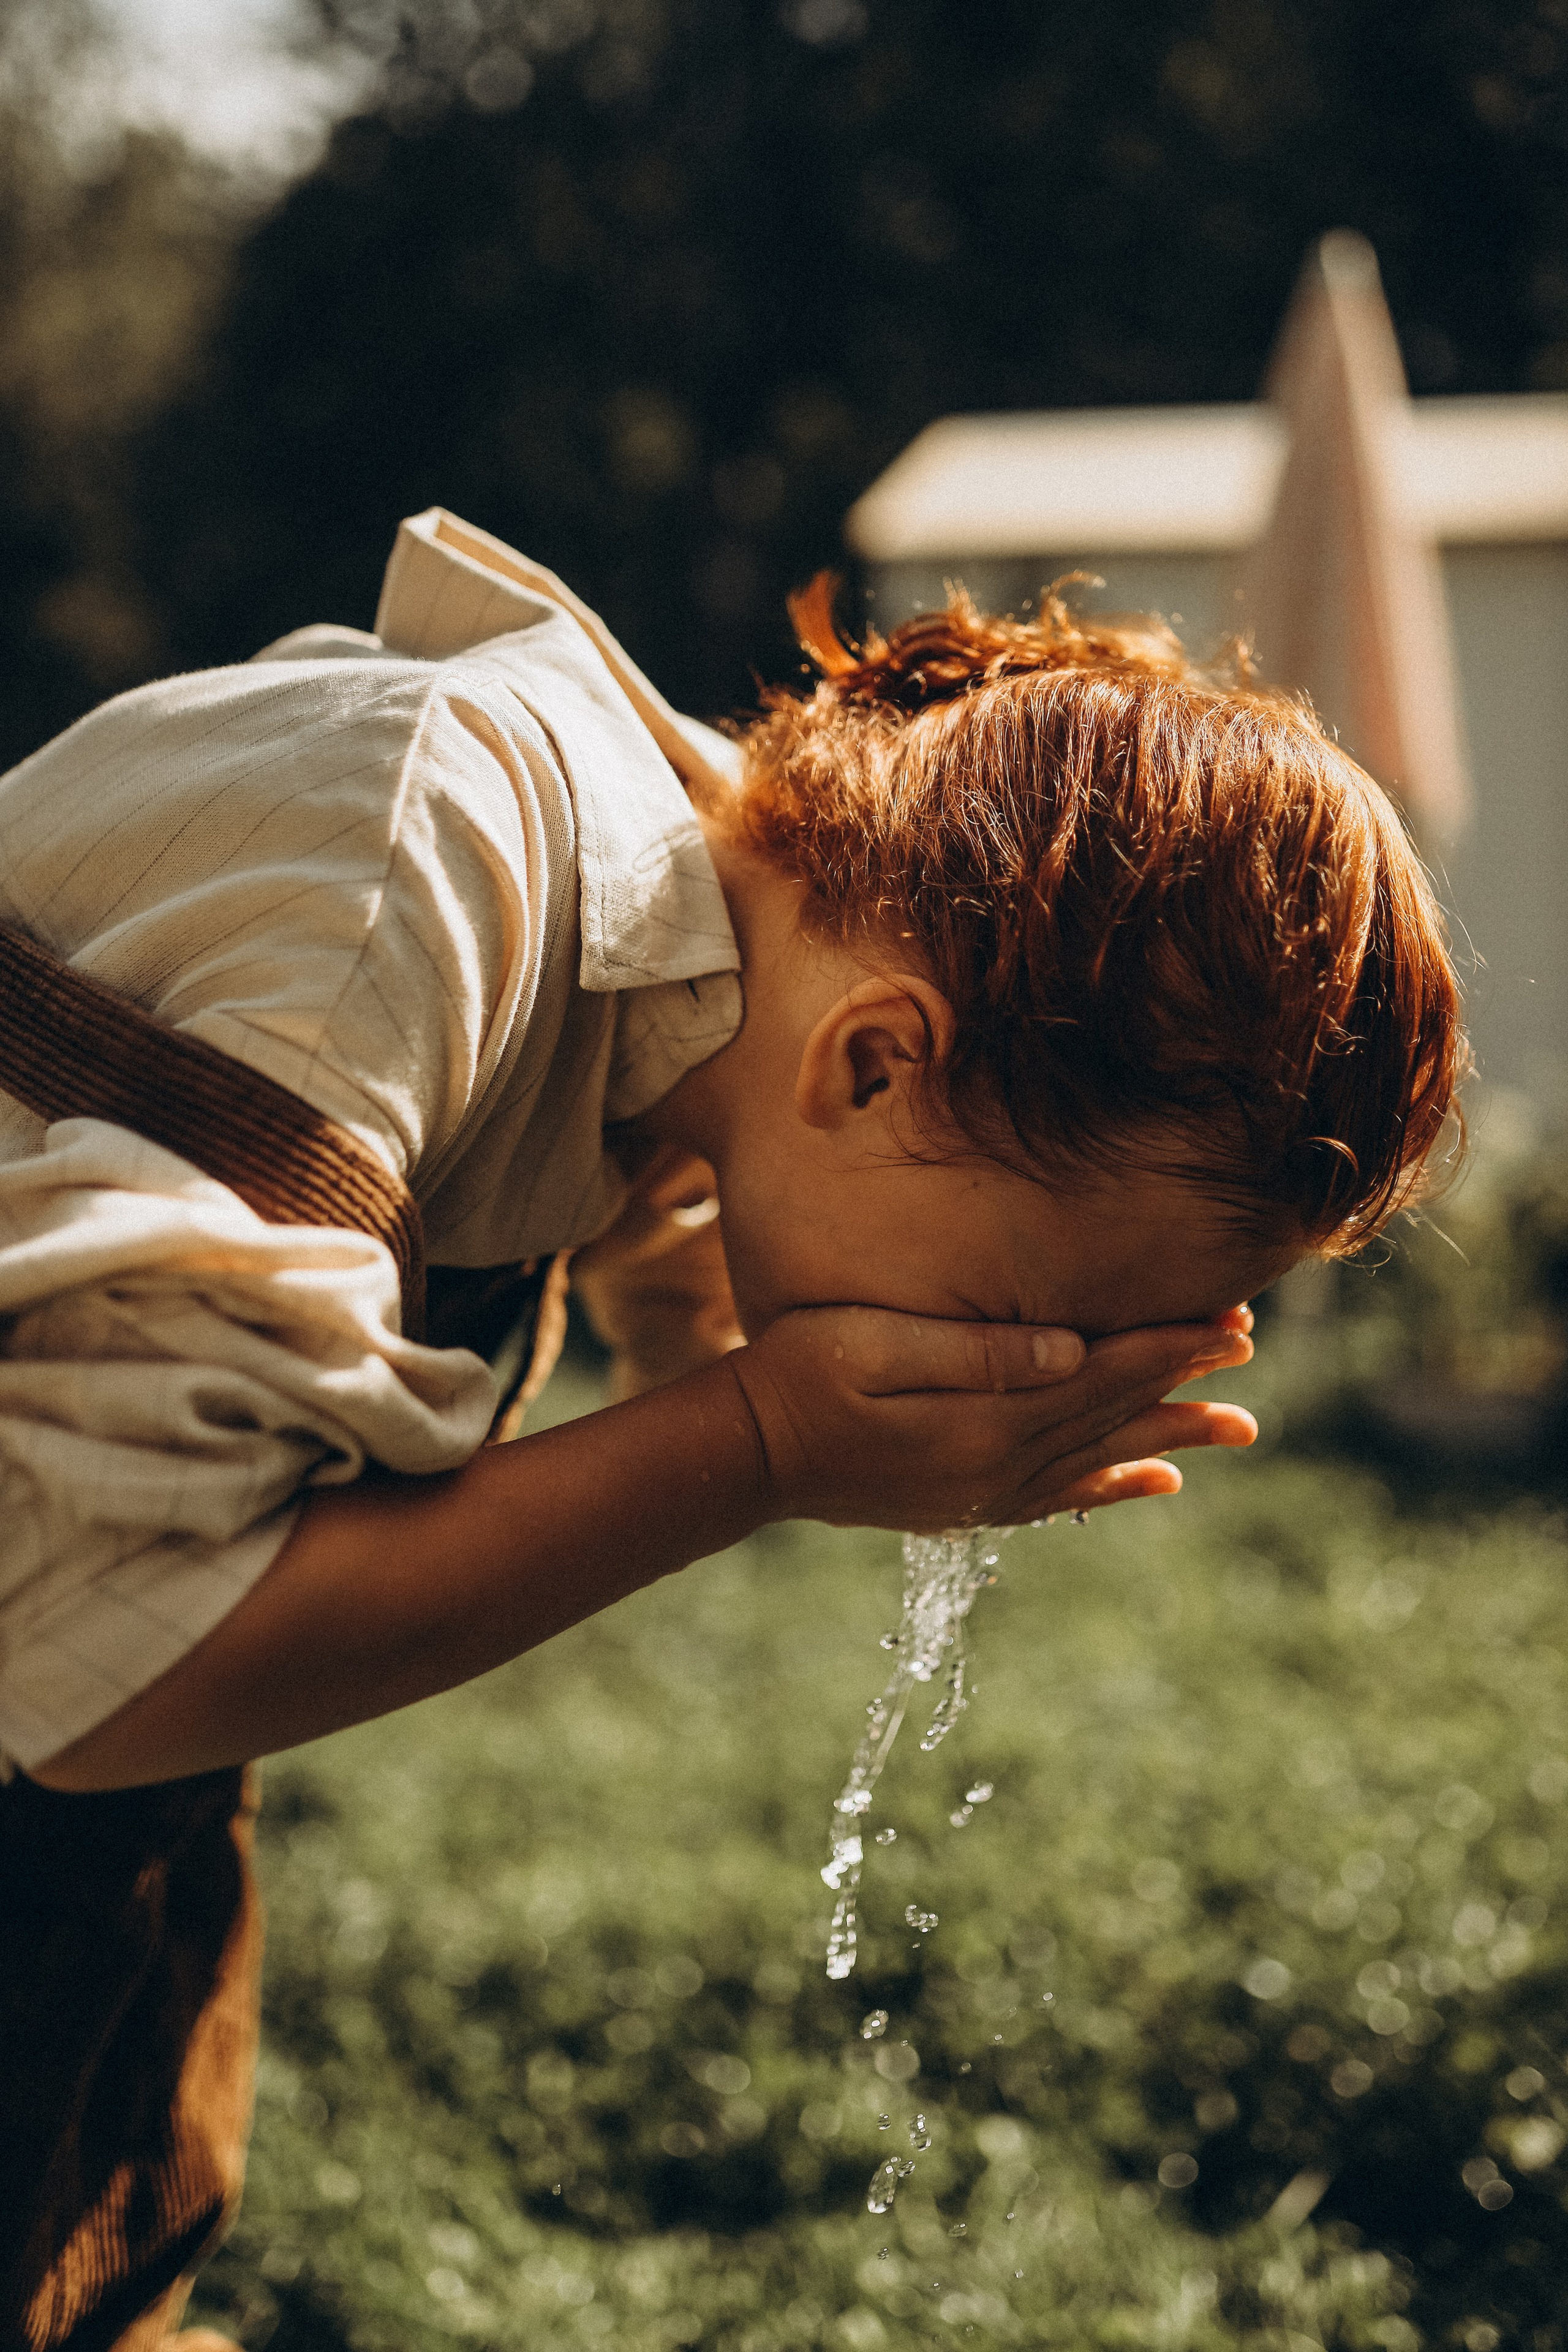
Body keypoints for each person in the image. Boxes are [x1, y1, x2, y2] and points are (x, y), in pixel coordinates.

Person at [0, 510, 1461, 2347]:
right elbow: (92, 1653)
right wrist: (755, 1442)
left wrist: (691, 1312)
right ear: (878, 1060)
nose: (1035, 1385)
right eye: (1034, 1323)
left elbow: (619, 1143)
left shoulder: (673, 915)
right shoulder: (417, 879)